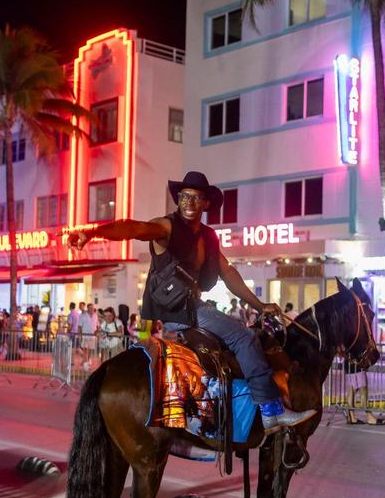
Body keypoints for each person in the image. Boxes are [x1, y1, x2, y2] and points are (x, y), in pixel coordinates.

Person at [69, 170, 314, 432]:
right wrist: (94, 232)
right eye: (184, 197)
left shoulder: (209, 237)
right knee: (245, 338)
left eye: (196, 198)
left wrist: (259, 306)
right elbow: (134, 228)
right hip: (181, 312)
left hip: (192, 308)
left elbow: (228, 273)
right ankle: (270, 410)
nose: (189, 202)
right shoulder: (166, 227)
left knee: (232, 344)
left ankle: (218, 402)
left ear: (206, 203)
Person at [79, 303, 99, 370]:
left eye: (92, 308)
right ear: (88, 308)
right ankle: (85, 364)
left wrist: (97, 331)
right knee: (85, 350)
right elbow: (79, 326)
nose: (91, 309)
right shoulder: (83, 315)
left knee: (90, 350)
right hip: (85, 336)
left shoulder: (95, 315)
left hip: (92, 336)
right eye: (90, 308)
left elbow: (97, 325)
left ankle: (87, 360)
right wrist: (80, 335)